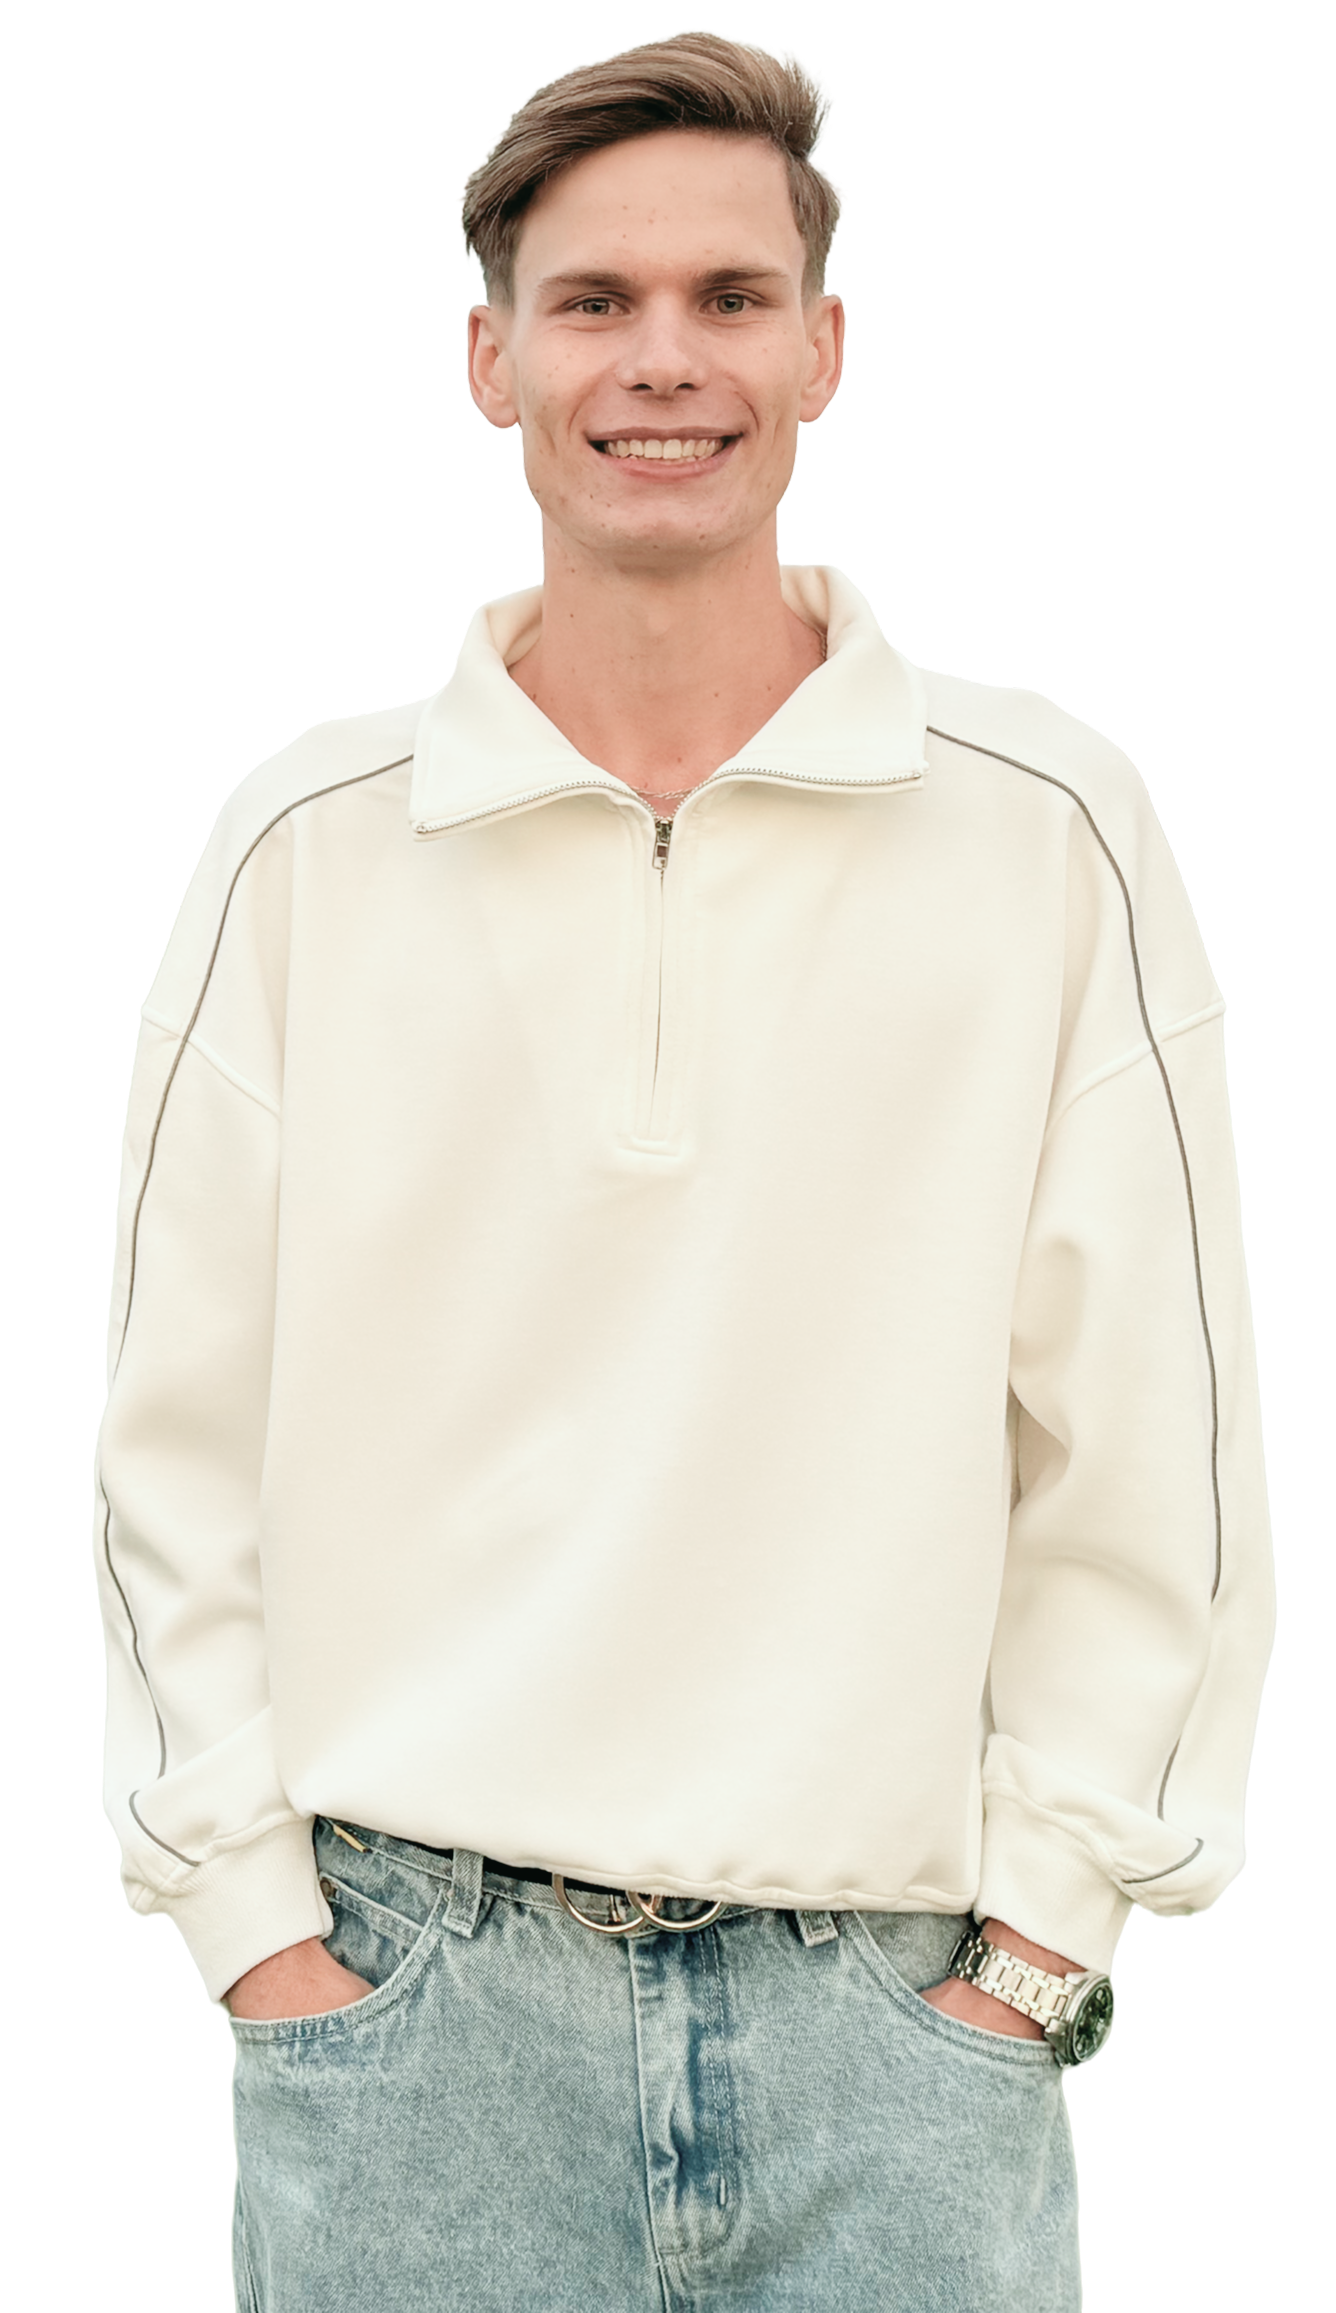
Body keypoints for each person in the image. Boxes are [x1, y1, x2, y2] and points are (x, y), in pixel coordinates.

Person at [95, 29, 1273, 2312]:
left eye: (730, 298)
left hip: (898, 2019)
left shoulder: (1041, 825)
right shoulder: (306, 845)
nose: (663, 360)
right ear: (492, 362)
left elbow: (1154, 1433)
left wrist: (1040, 1941)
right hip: (406, 2013)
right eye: (595, 301)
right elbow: (175, 1441)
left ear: (821, 350)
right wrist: (252, 1929)